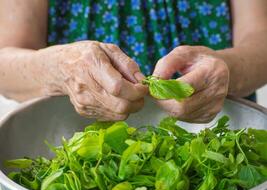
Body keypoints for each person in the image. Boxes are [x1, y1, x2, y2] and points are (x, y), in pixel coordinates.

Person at [0, 0, 266, 123]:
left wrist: (229, 68)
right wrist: (61, 68)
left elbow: (260, 39)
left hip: (219, 134)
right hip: (71, 140)